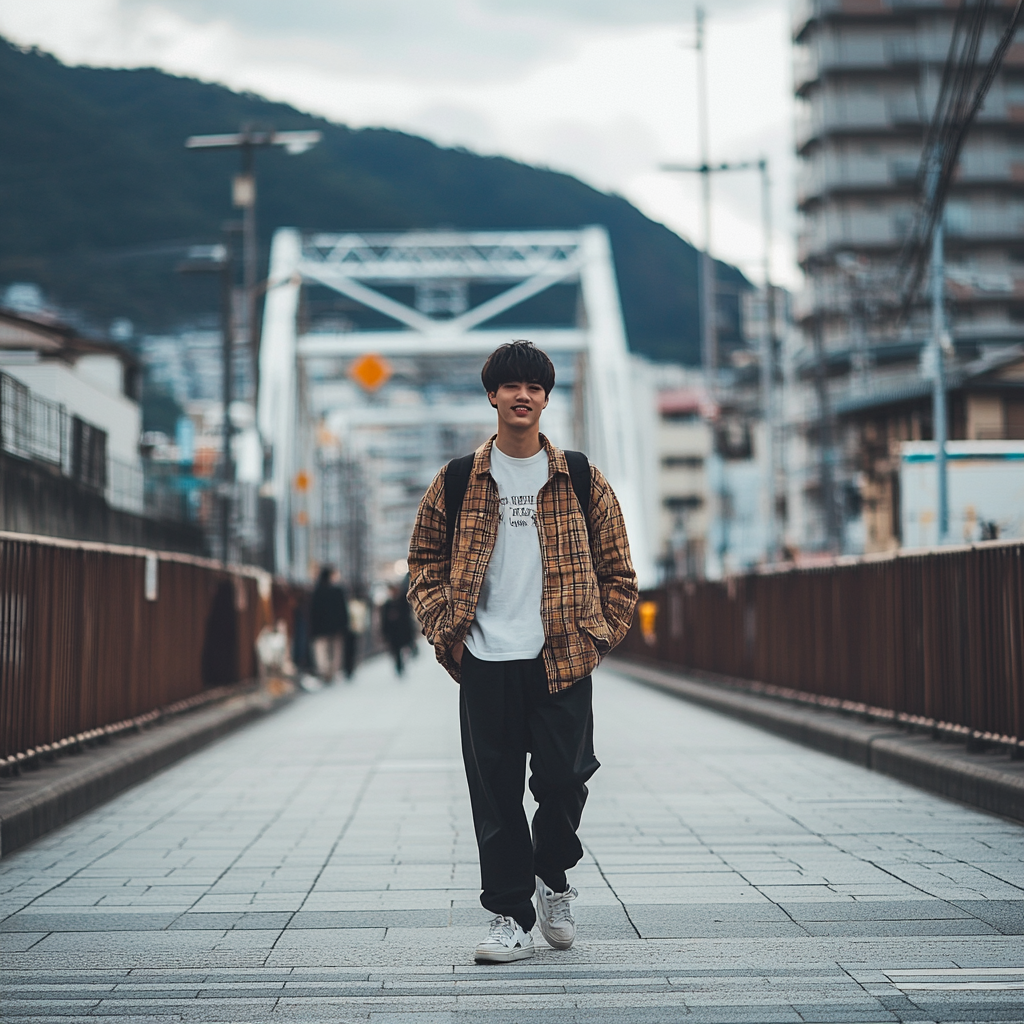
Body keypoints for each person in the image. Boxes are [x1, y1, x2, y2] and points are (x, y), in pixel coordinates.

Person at [407, 340, 638, 964]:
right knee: (496, 792)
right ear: (492, 395)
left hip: (560, 659)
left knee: (566, 781)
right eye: (510, 386)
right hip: (485, 661)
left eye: (533, 386)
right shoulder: (456, 481)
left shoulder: (582, 478)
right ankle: (510, 915)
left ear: (545, 397)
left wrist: (594, 640)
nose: (522, 395)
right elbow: (423, 561)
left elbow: (620, 573)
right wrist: (443, 629)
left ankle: (553, 875)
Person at [309, 566, 348, 682]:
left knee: (322, 650)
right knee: (335, 651)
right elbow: (343, 610)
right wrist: (344, 625)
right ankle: (332, 672)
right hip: (336, 627)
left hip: (320, 628)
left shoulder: (317, 591)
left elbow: (313, 611)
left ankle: (325, 672)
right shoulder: (338, 591)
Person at [381, 581, 415, 676]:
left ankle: (402, 664)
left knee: (402, 649)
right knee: (395, 651)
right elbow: (384, 620)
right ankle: (399, 666)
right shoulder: (387, 605)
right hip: (393, 632)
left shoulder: (402, 601)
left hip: (402, 630)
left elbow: (407, 615)